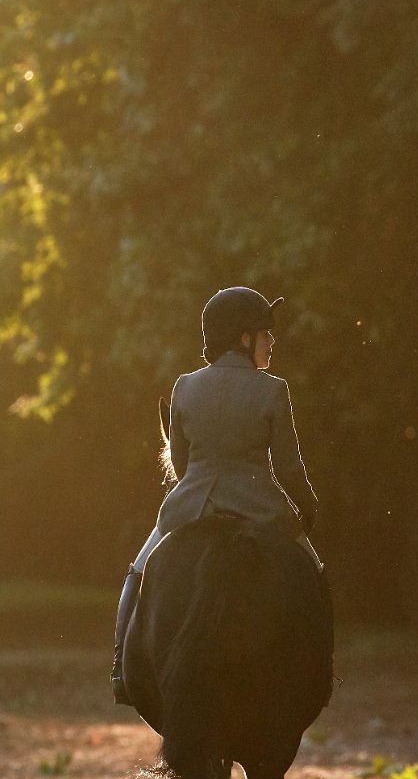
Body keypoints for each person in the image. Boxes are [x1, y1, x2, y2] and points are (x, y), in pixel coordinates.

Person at [112, 286, 321, 705]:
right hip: (261, 507)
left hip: (191, 507)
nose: (272, 342)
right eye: (266, 333)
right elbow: (289, 467)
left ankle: (120, 666)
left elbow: (183, 463)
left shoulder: (185, 387)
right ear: (244, 338)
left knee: (137, 574)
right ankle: (320, 670)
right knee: (315, 576)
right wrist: (307, 506)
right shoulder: (273, 390)